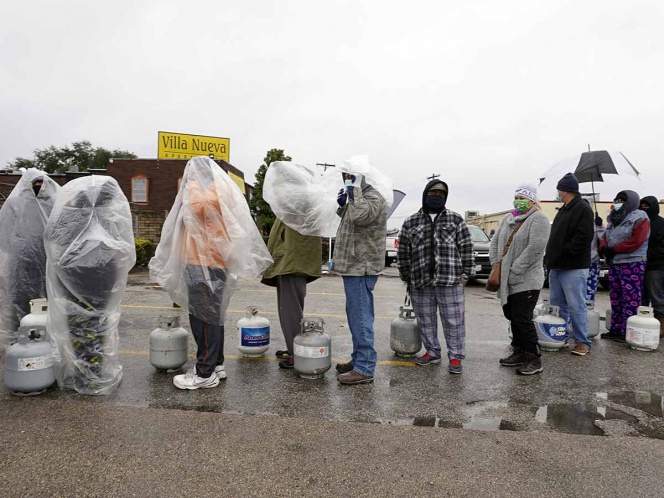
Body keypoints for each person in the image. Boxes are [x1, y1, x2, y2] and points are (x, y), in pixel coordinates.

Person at [149, 157, 272, 390]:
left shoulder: (212, 192)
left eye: (192, 173)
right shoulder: (222, 189)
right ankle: (216, 364)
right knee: (213, 316)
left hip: (204, 264)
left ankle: (204, 372)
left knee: (203, 318)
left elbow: (198, 207)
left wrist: (192, 185)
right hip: (209, 262)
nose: (188, 178)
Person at [44, 176, 135, 394]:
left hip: (74, 282)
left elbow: (51, 239)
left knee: (76, 327)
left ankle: (80, 374)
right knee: (100, 326)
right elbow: (123, 248)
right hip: (102, 284)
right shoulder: (110, 216)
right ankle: (95, 375)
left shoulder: (68, 215)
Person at [397, 179, 474, 374]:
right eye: (433, 193)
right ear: (425, 195)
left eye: (441, 194)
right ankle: (432, 351)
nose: (437, 197)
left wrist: (466, 274)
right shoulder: (411, 222)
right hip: (420, 281)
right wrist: (406, 276)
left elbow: (466, 248)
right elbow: (403, 252)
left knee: (454, 321)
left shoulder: (455, 220)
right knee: (425, 320)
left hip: (450, 280)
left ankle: (456, 356)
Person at [334, 171, 388, 385]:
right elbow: (351, 221)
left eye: (349, 176)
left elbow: (361, 217)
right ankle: (358, 360)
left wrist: (353, 192)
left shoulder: (373, 197)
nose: (345, 179)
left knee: (362, 318)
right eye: (344, 176)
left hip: (361, 266)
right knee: (355, 315)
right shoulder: (359, 198)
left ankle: (365, 367)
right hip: (352, 265)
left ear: (361, 177)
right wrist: (342, 206)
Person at [490, 184, 551, 375]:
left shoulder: (538, 218)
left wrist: (515, 270)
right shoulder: (508, 218)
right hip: (507, 279)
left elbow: (535, 248)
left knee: (522, 318)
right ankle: (519, 351)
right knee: (512, 316)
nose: (519, 200)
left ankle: (534, 357)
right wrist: (495, 265)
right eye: (517, 196)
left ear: (532, 200)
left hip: (527, 280)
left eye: (523, 197)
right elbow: (495, 243)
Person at [0, 169, 60, 353]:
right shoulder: (15, 203)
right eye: (35, 185)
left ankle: (49, 338)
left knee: (48, 300)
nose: (39, 189)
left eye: (42, 185)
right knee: (20, 299)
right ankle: (18, 338)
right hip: (20, 263)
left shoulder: (54, 202)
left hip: (47, 260)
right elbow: (5, 233)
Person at [544, 173, 594, 356]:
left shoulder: (583, 208)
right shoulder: (563, 210)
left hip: (573, 267)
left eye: (559, 189)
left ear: (565, 190)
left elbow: (584, 237)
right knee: (558, 305)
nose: (557, 192)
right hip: (557, 266)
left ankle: (582, 342)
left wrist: (566, 251)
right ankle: (560, 336)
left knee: (576, 305)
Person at [261, 218, 322, 369]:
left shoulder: (298, 200)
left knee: (290, 309)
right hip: (290, 257)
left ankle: (297, 353)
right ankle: (293, 347)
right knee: (288, 307)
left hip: (293, 257)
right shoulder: (296, 201)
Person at [599, 191, 650, 341]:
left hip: (632, 262)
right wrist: (603, 247)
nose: (618, 202)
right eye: (616, 199)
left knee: (631, 299)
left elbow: (636, 241)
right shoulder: (613, 217)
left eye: (622, 200)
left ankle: (629, 331)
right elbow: (606, 237)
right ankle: (616, 329)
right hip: (615, 262)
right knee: (616, 298)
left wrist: (614, 249)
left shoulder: (640, 217)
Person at [639, 196, 664, 337]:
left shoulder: (661, 223)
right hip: (639, 265)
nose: (644, 208)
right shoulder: (640, 222)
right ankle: (642, 324)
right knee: (641, 298)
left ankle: (661, 325)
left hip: (656, 266)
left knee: (657, 298)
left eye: (647, 206)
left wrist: (646, 254)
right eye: (642, 205)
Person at [587, 214, 606, 302]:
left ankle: (588, 313)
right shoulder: (571, 222)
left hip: (592, 262)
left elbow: (604, 238)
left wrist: (600, 226)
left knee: (589, 294)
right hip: (574, 264)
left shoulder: (594, 224)